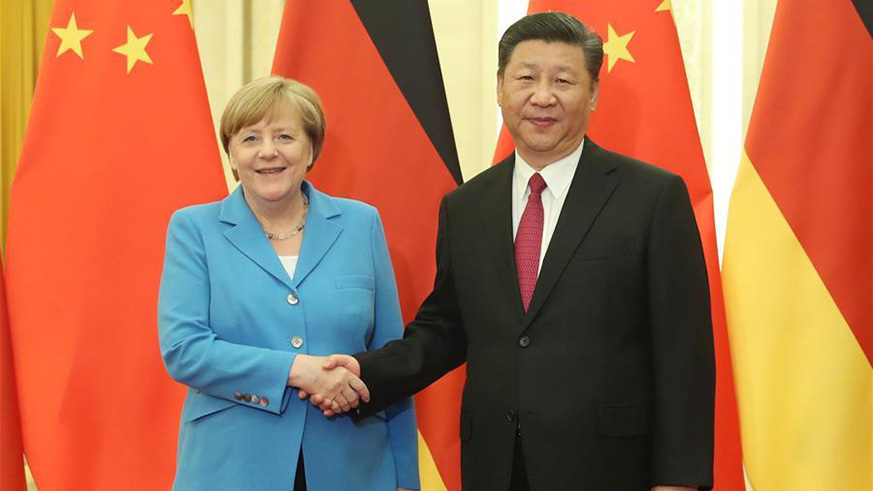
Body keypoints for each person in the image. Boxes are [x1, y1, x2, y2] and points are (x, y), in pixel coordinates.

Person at [308, 12, 715, 491]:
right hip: (496, 466)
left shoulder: (651, 197)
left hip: (610, 468)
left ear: (594, 94)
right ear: (500, 87)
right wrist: (365, 372)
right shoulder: (466, 206)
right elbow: (446, 328)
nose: (542, 96)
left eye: (563, 80)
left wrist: (679, 481)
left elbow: (684, 353)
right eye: (526, 78)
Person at [158, 76, 419, 491]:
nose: (268, 152)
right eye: (250, 138)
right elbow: (184, 350)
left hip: (354, 468)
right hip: (231, 468)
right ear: (231, 154)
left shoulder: (361, 223)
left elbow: (393, 360)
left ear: (311, 149)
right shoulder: (194, 229)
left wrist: (406, 476)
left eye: (284, 136)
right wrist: (299, 371)